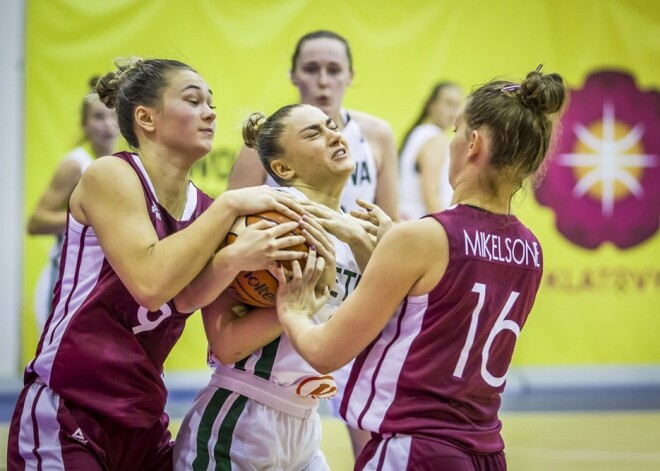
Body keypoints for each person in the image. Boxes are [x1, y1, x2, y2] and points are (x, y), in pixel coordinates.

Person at [7, 57, 311, 471]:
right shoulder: (110, 175)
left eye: (211, 102)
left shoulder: (204, 209)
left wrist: (254, 267)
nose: (211, 111)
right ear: (146, 118)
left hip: (143, 416)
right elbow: (149, 283)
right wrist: (233, 203)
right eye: (193, 100)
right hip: (70, 407)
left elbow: (182, 300)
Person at [274, 67, 568, 470]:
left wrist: (293, 312)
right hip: (486, 452)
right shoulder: (530, 250)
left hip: (416, 448)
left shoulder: (423, 238)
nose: (450, 143)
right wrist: (374, 241)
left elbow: (325, 352)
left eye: (456, 132)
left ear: (474, 144)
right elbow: (438, 305)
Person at [174, 103, 382, 470]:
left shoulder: (359, 228)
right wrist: (305, 305)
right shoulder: (264, 220)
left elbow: (395, 322)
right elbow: (226, 345)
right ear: (283, 168)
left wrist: (362, 241)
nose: (335, 134)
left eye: (332, 126)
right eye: (314, 133)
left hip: (306, 423)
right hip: (241, 418)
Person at [227, 30, 400, 223]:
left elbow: (389, 221)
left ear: (350, 76)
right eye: (311, 69)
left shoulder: (377, 134)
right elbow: (232, 220)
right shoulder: (267, 138)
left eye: (334, 70)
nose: (323, 81)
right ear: (293, 75)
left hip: (356, 250)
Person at [27, 76, 120, 331]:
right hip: (64, 282)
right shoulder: (75, 164)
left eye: (113, 117)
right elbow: (36, 222)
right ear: (84, 124)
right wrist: (90, 218)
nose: (107, 125)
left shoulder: (126, 168)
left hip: (99, 283)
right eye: (99, 117)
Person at [399, 81, 463, 220]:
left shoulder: (418, 133)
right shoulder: (434, 138)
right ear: (431, 105)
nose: (453, 112)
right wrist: (448, 230)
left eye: (457, 106)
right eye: (448, 103)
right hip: (422, 226)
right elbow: (430, 195)